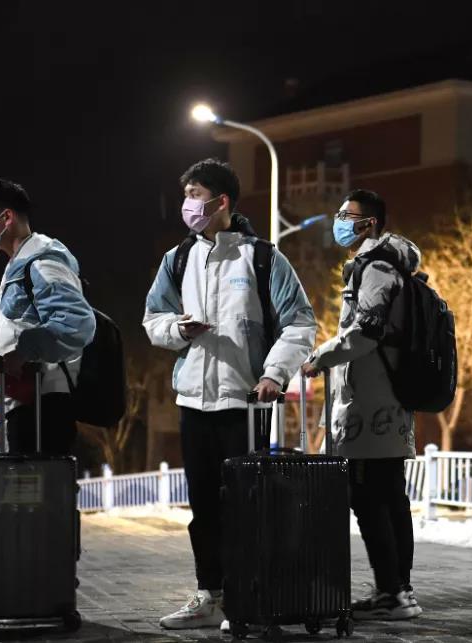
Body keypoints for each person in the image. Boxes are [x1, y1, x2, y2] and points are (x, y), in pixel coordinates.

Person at [143, 159, 315, 631]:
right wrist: (179, 329)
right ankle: (210, 595)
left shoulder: (262, 258)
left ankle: (247, 596)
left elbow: (300, 322)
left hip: (245, 403)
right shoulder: (178, 259)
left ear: (221, 202)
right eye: (185, 194)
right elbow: (153, 319)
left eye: (195, 194)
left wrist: (274, 374)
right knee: (203, 508)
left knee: (246, 507)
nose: (187, 204)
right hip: (193, 402)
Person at [301, 189, 422, 621]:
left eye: (346, 215)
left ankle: (392, 592)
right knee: (389, 498)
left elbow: (366, 331)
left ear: (369, 223)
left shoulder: (377, 268)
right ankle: (399, 590)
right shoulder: (387, 266)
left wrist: (320, 356)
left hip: (371, 406)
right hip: (386, 403)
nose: (339, 221)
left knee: (369, 499)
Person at [0, 179, 95, 456]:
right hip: (22, 405)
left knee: (36, 484)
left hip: (41, 407)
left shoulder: (42, 260)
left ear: (6, 217)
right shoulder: (19, 263)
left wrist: (24, 352)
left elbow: (76, 323)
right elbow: (23, 323)